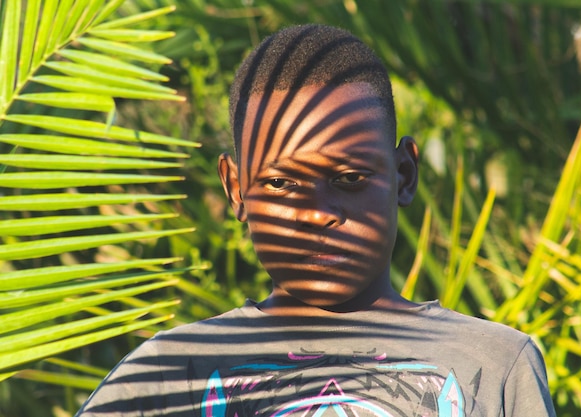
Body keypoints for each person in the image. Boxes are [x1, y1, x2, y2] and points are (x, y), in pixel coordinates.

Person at [75, 24, 556, 416]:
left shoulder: (495, 366)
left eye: (348, 178)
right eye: (281, 184)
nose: (317, 213)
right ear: (237, 189)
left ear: (403, 175)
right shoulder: (167, 374)